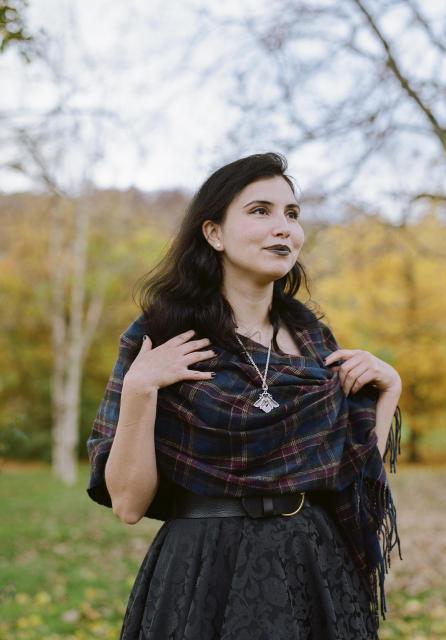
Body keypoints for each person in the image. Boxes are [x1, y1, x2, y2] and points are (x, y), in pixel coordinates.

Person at [86, 152, 403, 640]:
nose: (284, 228)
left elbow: (350, 480)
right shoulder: (164, 333)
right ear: (213, 233)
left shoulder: (314, 339)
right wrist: (139, 390)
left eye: (292, 214)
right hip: (204, 570)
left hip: (312, 568)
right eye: (261, 211)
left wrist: (388, 392)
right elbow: (128, 504)